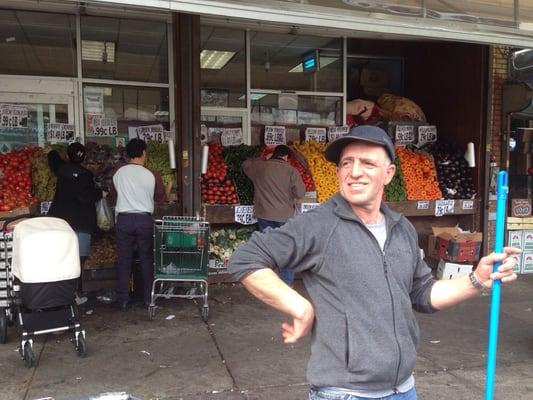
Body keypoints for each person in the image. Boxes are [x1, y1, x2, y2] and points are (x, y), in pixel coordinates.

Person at [228, 125, 519, 400]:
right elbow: (245, 259)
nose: (354, 172)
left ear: (389, 173)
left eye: (367, 163)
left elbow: (423, 293)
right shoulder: (318, 225)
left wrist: (477, 280)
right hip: (345, 393)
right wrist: (299, 307)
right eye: (346, 163)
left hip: (404, 389)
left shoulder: (401, 228)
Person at [47, 142, 105, 305]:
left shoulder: (61, 169)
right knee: (78, 260)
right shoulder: (85, 174)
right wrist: (100, 193)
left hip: (61, 223)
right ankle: (72, 296)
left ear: (67, 156)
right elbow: (84, 197)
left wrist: (50, 151)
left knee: (62, 259)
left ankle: (60, 295)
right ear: (84, 157)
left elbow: (54, 161)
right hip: (80, 223)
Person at [112, 138, 166, 311]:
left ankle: (122, 299)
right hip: (144, 220)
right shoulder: (152, 174)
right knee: (146, 260)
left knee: (124, 260)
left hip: (124, 220)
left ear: (128, 154)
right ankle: (149, 299)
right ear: (143, 153)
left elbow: (112, 196)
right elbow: (160, 198)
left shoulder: (118, 172)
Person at [242, 144, 306, 286]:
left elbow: (245, 164)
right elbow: (301, 193)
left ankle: (269, 283)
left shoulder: (259, 167)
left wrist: (264, 158)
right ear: (286, 157)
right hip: (284, 216)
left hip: (264, 215)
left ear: (274, 154)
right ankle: (285, 283)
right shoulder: (291, 171)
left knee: (268, 249)